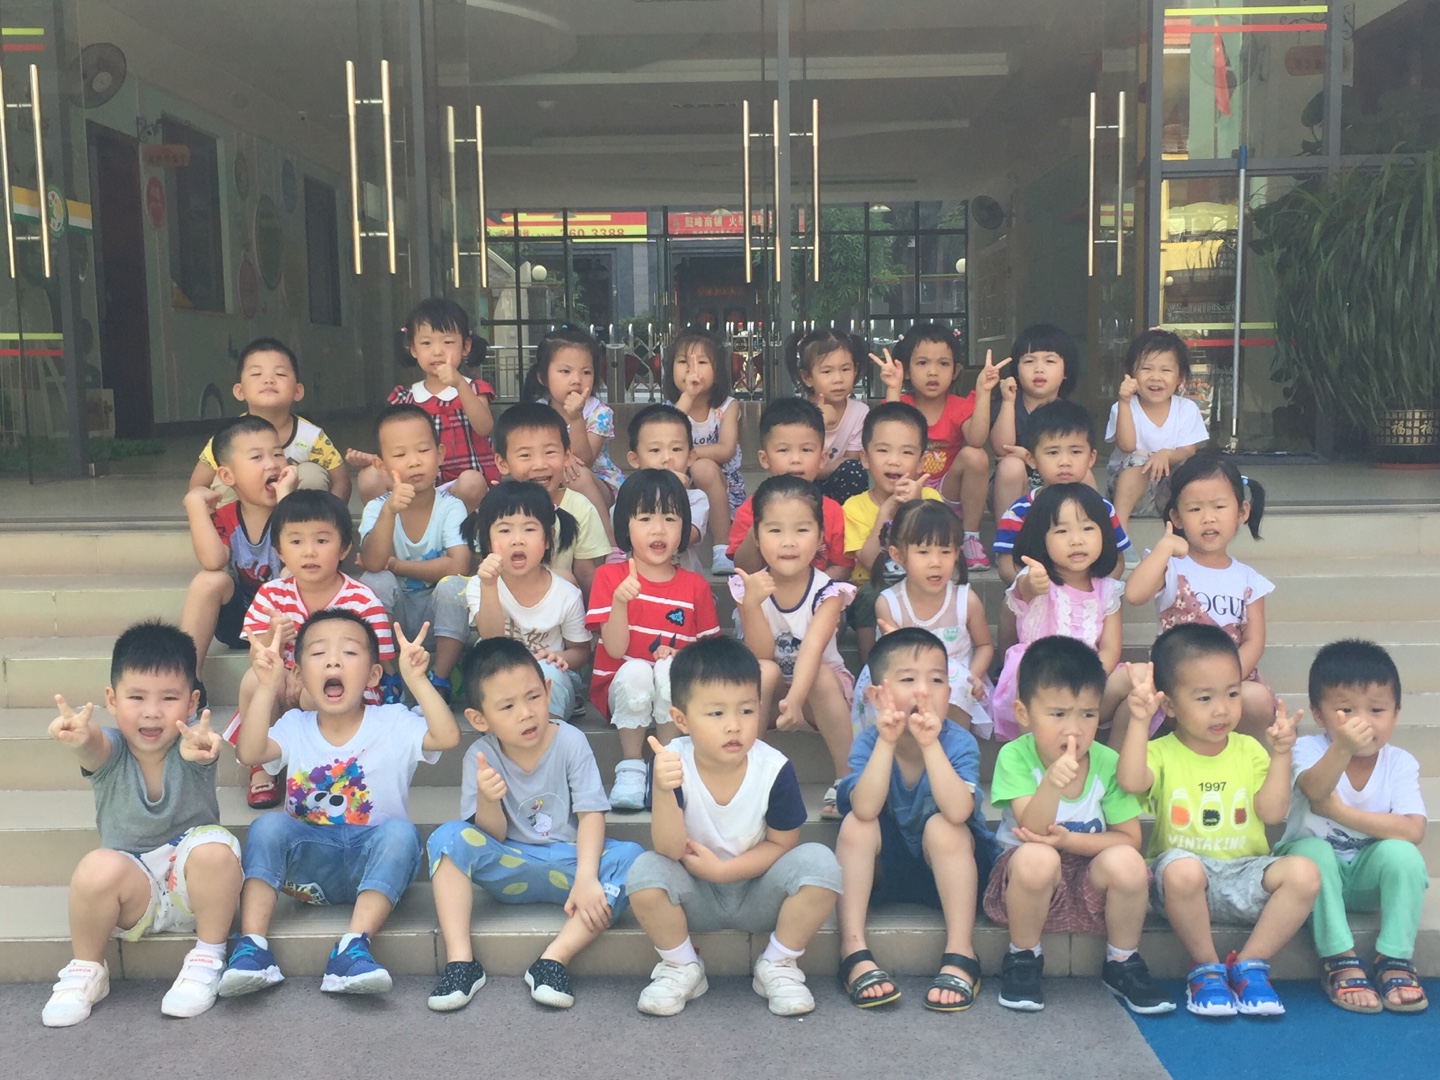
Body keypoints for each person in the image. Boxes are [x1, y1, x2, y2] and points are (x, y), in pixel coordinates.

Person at [219, 610, 461, 998]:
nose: (333, 661)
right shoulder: (294, 725)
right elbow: (250, 753)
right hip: (309, 871)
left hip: (374, 862)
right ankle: (252, 947)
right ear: (299, 675)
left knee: (401, 835)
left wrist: (417, 680)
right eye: (318, 653)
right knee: (267, 827)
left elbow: (447, 737)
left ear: (373, 675)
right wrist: (266, 687)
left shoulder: (393, 721)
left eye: (349, 652)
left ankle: (352, 948)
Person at [626, 638, 843, 1016]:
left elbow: (783, 844)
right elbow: (668, 849)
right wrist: (662, 789)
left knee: (821, 863)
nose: (733, 725)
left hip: (759, 891)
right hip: (695, 893)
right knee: (645, 871)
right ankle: (681, 965)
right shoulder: (671, 761)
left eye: (746, 710)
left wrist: (724, 871)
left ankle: (777, 963)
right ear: (681, 719)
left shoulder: (774, 768)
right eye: (716, 713)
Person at [41, 622, 242, 1027]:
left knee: (217, 848)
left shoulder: (192, 743)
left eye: (169, 697)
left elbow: (201, 750)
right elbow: (95, 747)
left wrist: (204, 752)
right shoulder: (111, 750)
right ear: (112, 700)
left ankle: (208, 957)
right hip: (135, 896)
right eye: (136, 697)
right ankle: (87, 969)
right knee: (96, 866)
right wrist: (80, 737)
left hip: (193, 890)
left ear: (192, 701)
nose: (152, 711)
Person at [424, 639, 643, 1011]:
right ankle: (460, 962)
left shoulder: (571, 741)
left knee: (633, 860)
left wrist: (586, 878)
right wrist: (488, 799)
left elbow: (591, 814)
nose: (526, 713)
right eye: (507, 706)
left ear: (548, 691)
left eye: (533, 697)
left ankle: (554, 959)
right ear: (479, 719)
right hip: (511, 864)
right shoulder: (481, 755)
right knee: (446, 838)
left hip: (572, 866)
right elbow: (488, 836)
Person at [1117, 624, 1320, 1018]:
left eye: (1232, 693)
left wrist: (1281, 755)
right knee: (1183, 870)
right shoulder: (1162, 752)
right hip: (1182, 880)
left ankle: (1249, 966)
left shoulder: (1249, 750)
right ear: (1169, 705)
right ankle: (1207, 969)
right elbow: (1130, 781)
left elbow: (1272, 813)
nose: (1222, 709)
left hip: (1244, 872)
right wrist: (1139, 721)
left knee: (1305, 874)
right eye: (1205, 698)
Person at [983, 636, 1173, 1015]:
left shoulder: (1105, 762)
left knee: (1128, 863)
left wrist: (1069, 841)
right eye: (1058, 714)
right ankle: (1023, 956)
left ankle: (1122, 961)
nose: (1074, 729)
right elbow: (1034, 829)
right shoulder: (1015, 756)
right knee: (1038, 856)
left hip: (1089, 876)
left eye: (1087, 714)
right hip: (1030, 880)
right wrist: (1051, 783)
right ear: (1023, 713)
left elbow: (1129, 838)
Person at [834, 628, 997, 1012]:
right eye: (908, 679)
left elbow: (958, 812)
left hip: (951, 871)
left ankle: (961, 951)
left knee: (944, 826)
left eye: (937, 680)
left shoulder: (958, 741)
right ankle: (852, 949)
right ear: (876, 695)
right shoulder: (869, 742)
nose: (924, 691)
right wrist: (887, 741)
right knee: (856, 825)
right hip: (887, 873)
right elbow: (865, 808)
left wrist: (930, 745)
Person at [1275, 639, 1429, 1014]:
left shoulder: (1400, 763)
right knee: (1314, 851)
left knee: (1403, 855)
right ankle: (1339, 959)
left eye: (1377, 709)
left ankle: (1394, 958)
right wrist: (1341, 748)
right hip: (1309, 880)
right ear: (1318, 713)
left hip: (1364, 878)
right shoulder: (1308, 749)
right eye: (1345, 710)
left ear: (1396, 713)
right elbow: (1314, 790)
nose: (1362, 722)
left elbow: (1413, 831)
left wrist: (1339, 813)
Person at [224, 489, 396, 808]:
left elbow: (377, 664)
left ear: (344, 547)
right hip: (285, 679)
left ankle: (323, 769)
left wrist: (311, 679)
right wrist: (272, 637)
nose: (309, 552)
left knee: (314, 693)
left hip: (342, 689)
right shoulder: (272, 594)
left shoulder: (362, 600)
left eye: (321, 540)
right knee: (253, 681)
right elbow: (257, 657)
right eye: (296, 541)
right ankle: (261, 767)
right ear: (279, 550)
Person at [586, 469, 720, 809]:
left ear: (684, 528)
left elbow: (709, 655)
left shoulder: (695, 586)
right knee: (637, 671)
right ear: (625, 526)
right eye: (645, 518)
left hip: (673, 690)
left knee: (670, 669)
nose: (658, 529)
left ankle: (668, 760)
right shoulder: (609, 576)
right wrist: (619, 602)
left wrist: (678, 655)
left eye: (670, 518)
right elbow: (615, 649)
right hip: (620, 689)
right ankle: (632, 767)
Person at [1116, 453, 1273, 740]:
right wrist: (1164, 548)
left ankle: (1248, 761)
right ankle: (1113, 762)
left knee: (1259, 699)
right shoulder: (1171, 564)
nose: (1208, 517)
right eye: (1195, 509)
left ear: (1242, 512)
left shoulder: (1249, 579)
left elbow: (1254, 641)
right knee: (1133, 687)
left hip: (1226, 684)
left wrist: (1222, 682)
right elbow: (1134, 594)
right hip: (1175, 683)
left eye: (1219, 506)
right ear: (1176, 517)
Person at [731, 475, 856, 819]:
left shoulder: (828, 591)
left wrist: (796, 700)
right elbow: (761, 654)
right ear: (757, 536)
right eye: (775, 530)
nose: (788, 542)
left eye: (801, 530)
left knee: (820, 675)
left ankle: (847, 778)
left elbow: (812, 650)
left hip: (819, 697)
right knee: (762, 671)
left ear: (820, 537)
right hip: (771, 697)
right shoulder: (748, 587)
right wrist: (752, 605)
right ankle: (748, 778)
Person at [991, 484, 1127, 742]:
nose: (1077, 540)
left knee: (1136, 677)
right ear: (1041, 538)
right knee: (1024, 667)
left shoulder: (1108, 590)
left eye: (1088, 528)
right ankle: (1034, 756)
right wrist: (1032, 583)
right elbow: (1023, 590)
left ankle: (1114, 760)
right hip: (1040, 682)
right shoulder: (1035, 579)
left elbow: (1110, 649)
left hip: (1089, 681)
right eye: (1062, 531)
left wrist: (1087, 679)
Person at [356, 403, 471, 703]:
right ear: (381, 465)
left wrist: (397, 565)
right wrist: (389, 512)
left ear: (440, 454)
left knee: (455, 586)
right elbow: (373, 562)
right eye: (400, 454)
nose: (414, 461)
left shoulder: (451, 507)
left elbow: (459, 565)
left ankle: (440, 679)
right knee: (373, 581)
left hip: (438, 618)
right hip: (395, 616)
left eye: (423, 450)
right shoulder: (376, 509)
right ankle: (389, 675)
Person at [873, 323, 1008, 571]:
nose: (933, 372)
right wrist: (893, 388)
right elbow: (890, 433)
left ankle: (969, 537)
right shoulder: (901, 403)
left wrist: (983, 392)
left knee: (976, 456)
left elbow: (977, 439)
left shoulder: (959, 405)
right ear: (907, 369)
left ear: (956, 371)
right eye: (922, 363)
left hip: (947, 490)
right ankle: (897, 537)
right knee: (895, 457)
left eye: (943, 364)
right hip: (909, 486)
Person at [178, 416, 295, 694]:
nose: (272, 464)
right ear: (227, 477)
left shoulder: (299, 512)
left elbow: (298, 555)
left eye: (278, 454)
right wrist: (195, 506)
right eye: (257, 457)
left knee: (292, 573)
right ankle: (186, 680)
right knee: (208, 580)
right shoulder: (225, 518)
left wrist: (287, 500)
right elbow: (213, 561)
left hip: (289, 624)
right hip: (241, 623)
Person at [347, 297, 496, 513]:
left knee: (472, 482)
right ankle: (395, 528)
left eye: (447, 342)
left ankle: (453, 528)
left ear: (465, 346)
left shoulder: (473, 389)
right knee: (369, 478)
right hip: (416, 483)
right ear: (413, 349)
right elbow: (394, 444)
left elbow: (484, 427)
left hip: (460, 486)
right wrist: (375, 460)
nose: (437, 351)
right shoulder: (406, 398)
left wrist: (459, 384)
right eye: (426, 343)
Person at [860, 499, 994, 735]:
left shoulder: (966, 600)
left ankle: (953, 749)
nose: (936, 562)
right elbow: (896, 662)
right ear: (898, 555)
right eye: (923, 552)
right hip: (908, 680)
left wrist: (973, 675)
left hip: (955, 685)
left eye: (945, 551)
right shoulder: (889, 603)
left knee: (954, 683)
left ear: (957, 553)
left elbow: (984, 645)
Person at [462, 480, 590, 722]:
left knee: (546, 673)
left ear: (548, 539)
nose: (517, 540)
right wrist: (489, 586)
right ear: (487, 539)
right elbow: (492, 639)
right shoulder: (481, 584)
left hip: (549, 675)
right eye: (504, 530)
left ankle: (547, 731)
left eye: (529, 529)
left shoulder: (566, 593)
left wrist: (561, 657)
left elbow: (581, 650)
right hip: (500, 670)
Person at [189, 337, 350, 503]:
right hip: (241, 516)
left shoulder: (311, 436)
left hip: (294, 515)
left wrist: (332, 513)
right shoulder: (230, 435)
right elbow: (198, 485)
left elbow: (341, 482)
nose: (268, 380)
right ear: (239, 391)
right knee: (226, 480)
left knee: (312, 475)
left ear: (297, 391)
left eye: (280, 374)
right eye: (256, 374)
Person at [842, 400, 942, 663]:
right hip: (873, 591)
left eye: (906, 452)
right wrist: (886, 511)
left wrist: (915, 507)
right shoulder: (854, 507)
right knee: (869, 595)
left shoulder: (930, 499)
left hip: (921, 583)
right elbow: (868, 560)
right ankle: (870, 665)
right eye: (883, 450)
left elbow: (938, 552)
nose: (894, 461)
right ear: (865, 458)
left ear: (921, 462)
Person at [991, 399, 1130, 585]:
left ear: (1091, 458)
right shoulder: (1019, 511)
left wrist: (1096, 590)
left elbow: (1116, 560)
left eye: (1075, 452)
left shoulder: (1102, 509)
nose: (1065, 462)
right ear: (1031, 459)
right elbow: (1007, 565)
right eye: (1053, 453)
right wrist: (1030, 585)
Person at [492, 401, 613, 601]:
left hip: (559, 608)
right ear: (502, 463)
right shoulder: (497, 506)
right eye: (525, 455)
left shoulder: (580, 506)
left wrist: (597, 615)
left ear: (567, 455)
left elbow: (585, 573)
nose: (540, 464)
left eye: (549, 452)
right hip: (506, 603)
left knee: (565, 578)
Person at [725, 396, 853, 581]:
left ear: (822, 459)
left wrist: (808, 589)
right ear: (764, 458)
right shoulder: (751, 509)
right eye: (783, 450)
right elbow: (743, 567)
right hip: (765, 593)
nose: (795, 459)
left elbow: (843, 566)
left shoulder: (832, 511)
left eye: (806, 450)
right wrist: (758, 526)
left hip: (818, 594)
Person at [521, 324, 622, 545]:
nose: (576, 380)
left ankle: (610, 543)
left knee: (575, 473)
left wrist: (576, 418)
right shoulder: (538, 412)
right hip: (549, 476)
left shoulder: (598, 412)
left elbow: (585, 459)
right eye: (565, 372)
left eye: (586, 372)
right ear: (542, 377)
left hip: (597, 482)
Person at [1105, 328, 1208, 534]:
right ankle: (1119, 529)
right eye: (1146, 369)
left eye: (1165, 370)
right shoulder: (1124, 407)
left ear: (1180, 378)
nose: (1155, 377)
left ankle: (1187, 531)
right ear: (1131, 375)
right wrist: (1124, 401)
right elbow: (1126, 446)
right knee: (1140, 456)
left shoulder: (1186, 409)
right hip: (1132, 495)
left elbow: (1188, 451)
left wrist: (1166, 455)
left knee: (1194, 468)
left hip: (1168, 497)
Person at [664, 326, 742, 573]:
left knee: (704, 467)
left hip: (719, 480)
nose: (692, 370)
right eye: (683, 362)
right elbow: (666, 436)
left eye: (702, 362)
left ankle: (722, 548)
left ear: (717, 373)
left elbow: (726, 450)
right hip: (676, 477)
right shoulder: (670, 409)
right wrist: (687, 396)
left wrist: (690, 455)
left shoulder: (727, 406)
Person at [989, 323, 1085, 522]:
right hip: (1013, 488)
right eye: (1029, 361)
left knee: (1084, 473)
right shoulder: (1009, 404)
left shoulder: (1070, 413)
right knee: (1011, 466)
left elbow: (1075, 456)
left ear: (1066, 371)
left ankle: (1086, 530)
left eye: (1049, 361)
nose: (1039, 369)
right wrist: (1007, 402)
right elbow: (1002, 448)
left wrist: (1027, 456)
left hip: (1056, 484)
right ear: (1016, 370)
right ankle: (1008, 538)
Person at [624, 403, 710, 576]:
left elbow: (685, 539)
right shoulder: (627, 498)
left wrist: (673, 492)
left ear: (690, 457)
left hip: (685, 587)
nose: (667, 458)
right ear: (635, 459)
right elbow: (623, 536)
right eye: (655, 450)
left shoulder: (696, 498)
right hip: (638, 584)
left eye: (676, 449)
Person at [788, 327, 870, 504]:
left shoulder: (859, 412)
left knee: (853, 470)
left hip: (837, 482)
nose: (838, 379)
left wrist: (820, 469)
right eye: (827, 371)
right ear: (807, 377)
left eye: (845, 369)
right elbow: (795, 462)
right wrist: (820, 424)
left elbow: (851, 460)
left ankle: (848, 517)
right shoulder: (797, 412)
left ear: (855, 370)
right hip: (802, 482)